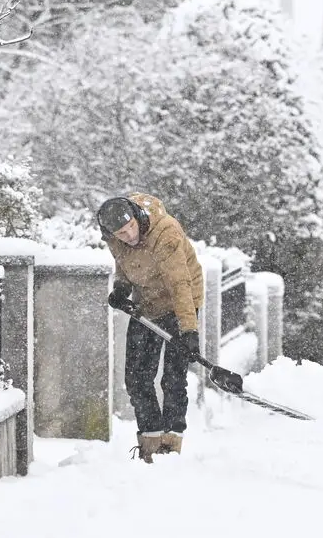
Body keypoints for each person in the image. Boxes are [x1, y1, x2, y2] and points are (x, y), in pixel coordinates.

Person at [97, 193, 204, 463]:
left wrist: (189, 331)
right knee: (136, 377)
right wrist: (121, 287)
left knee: (173, 377)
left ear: (137, 217)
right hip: (146, 304)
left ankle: (171, 443)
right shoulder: (114, 238)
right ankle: (150, 441)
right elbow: (124, 264)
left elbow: (180, 284)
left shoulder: (165, 233)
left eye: (131, 226)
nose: (129, 235)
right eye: (122, 233)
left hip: (182, 301)